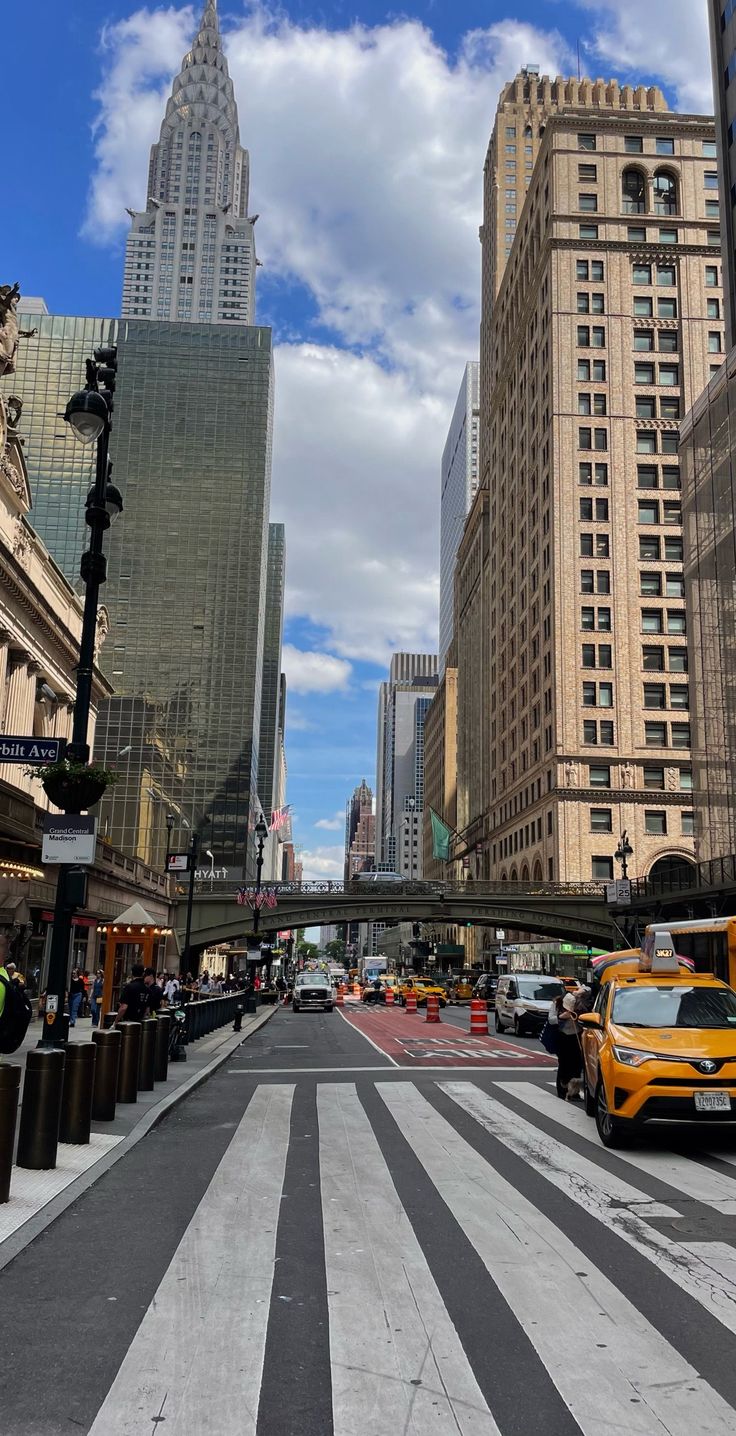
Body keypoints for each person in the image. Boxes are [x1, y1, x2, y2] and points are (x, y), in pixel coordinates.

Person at [548, 990, 583, 1101]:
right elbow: (551, 1019)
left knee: (577, 1065)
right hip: (562, 1036)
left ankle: (575, 1092)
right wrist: (562, 1017)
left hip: (576, 1036)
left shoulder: (579, 1004)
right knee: (564, 1064)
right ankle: (562, 1090)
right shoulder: (556, 1004)